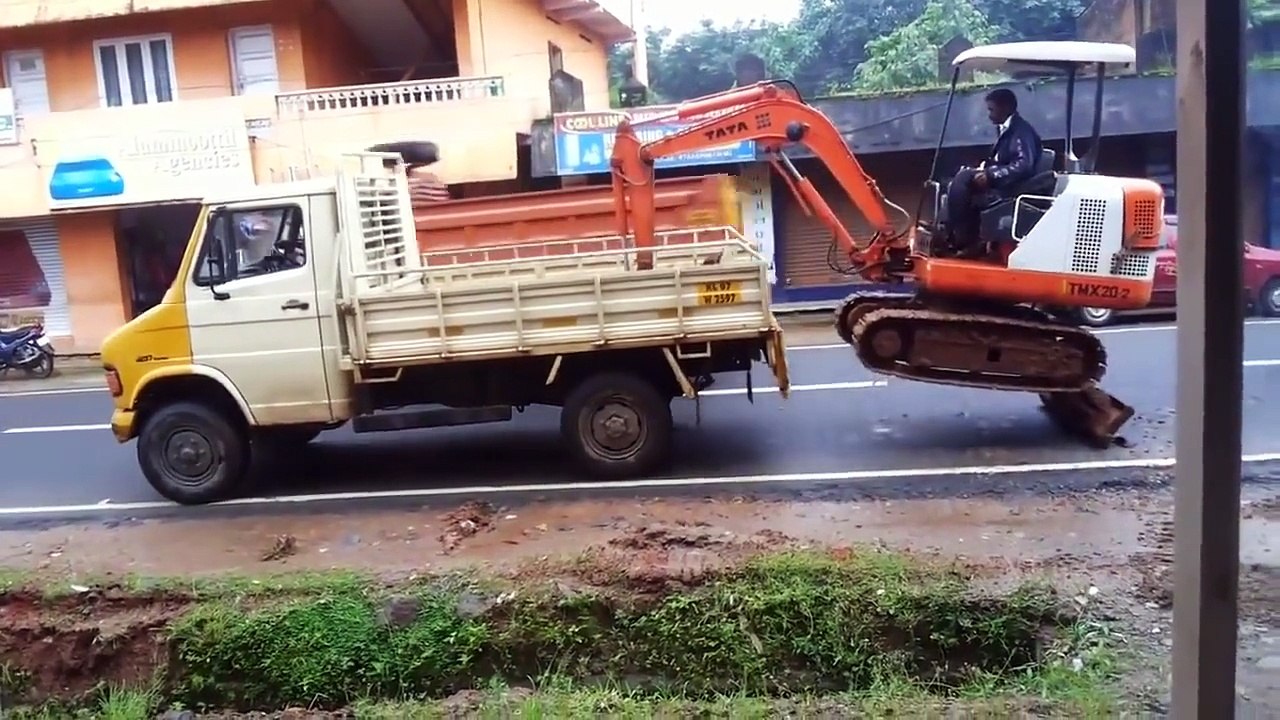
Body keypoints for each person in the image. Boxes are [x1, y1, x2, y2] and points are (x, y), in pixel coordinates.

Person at [945, 87, 1044, 255]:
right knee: (958, 178)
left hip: (1015, 187)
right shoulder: (1007, 129)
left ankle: (961, 236)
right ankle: (958, 233)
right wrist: (984, 169)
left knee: (963, 179)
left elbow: (1023, 165)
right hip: (1005, 182)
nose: (989, 114)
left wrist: (990, 175)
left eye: (991, 109)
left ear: (1005, 108)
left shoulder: (1021, 131)